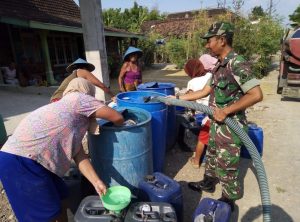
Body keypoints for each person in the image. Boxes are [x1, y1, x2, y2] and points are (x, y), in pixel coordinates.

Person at [0, 78, 124, 221]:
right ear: (87, 92)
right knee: (45, 215)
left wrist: (97, 183)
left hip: (37, 161)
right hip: (20, 161)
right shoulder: (78, 98)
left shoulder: (70, 114)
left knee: (62, 198)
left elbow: (79, 156)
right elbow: (117, 117)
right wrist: (120, 122)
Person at [176, 22, 263, 210]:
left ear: (222, 40)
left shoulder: (237, 63)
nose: (207, 45)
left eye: (210, 41)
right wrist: (177, 97)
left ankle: (228, 200)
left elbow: (256, 94)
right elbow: (205, 91)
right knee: (213, 156)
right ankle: (208, 183)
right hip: (216, 122)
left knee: (227, 164)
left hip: (230, 126)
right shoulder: (218, 65)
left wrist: (226, 111)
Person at [183, 55, 218, 168]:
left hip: (212, 115)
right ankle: (210, 159)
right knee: (215, 138)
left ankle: (196, 161)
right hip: (219, 111)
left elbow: (190, 100)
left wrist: (192, 113)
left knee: (202, 139)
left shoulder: (193, 82)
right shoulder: (211, 75)